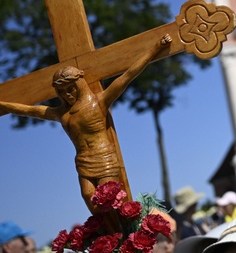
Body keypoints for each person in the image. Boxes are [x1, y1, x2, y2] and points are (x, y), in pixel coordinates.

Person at [0, 34, 172, 215]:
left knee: (110, 200)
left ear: (79, 84)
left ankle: (122, 233)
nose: (67, 94)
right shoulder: (62, 113)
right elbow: (26, 110)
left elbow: (128, 75)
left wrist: (156, 48)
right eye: (62, 91)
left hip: (103, 156)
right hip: (83, 161)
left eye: (70, 88)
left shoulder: (98, 103)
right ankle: (109, 235)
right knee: (88, 195)